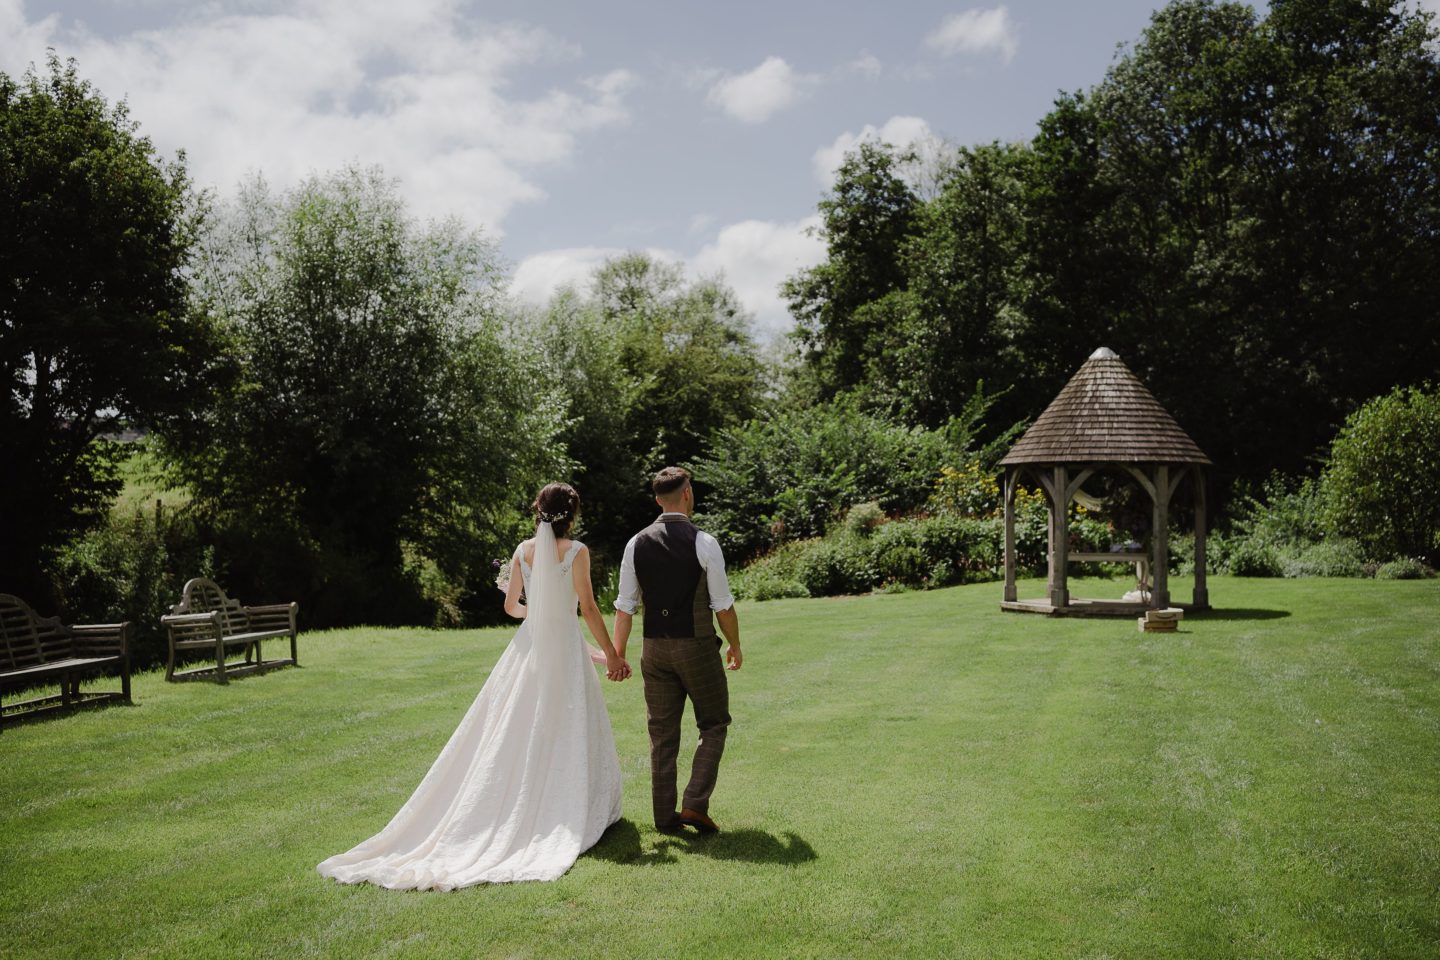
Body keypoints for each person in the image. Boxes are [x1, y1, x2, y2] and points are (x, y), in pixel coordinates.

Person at [317, 483, 631, 891]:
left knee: (517, 724)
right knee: (567, 720)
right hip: (564, 646)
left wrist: (537, 607)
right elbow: (587, 608)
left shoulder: (523, 551)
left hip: (532, 647)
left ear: (539, 511)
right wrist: (612, 652)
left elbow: (511, 607)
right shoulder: (577, 551)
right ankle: (565, 806)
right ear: (572, 513)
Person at [614, 466, 742, 835]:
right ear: (688, 493)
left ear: (658, 499)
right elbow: (722, 605)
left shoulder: (635, 543)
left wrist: (618, 654)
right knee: (714, 723)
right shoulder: (704, 542)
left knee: (662, 735)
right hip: (698, 647)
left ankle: (663, 817)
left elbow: (625, 606)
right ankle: (695, 805)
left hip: (653, 650)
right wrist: (734, 644)